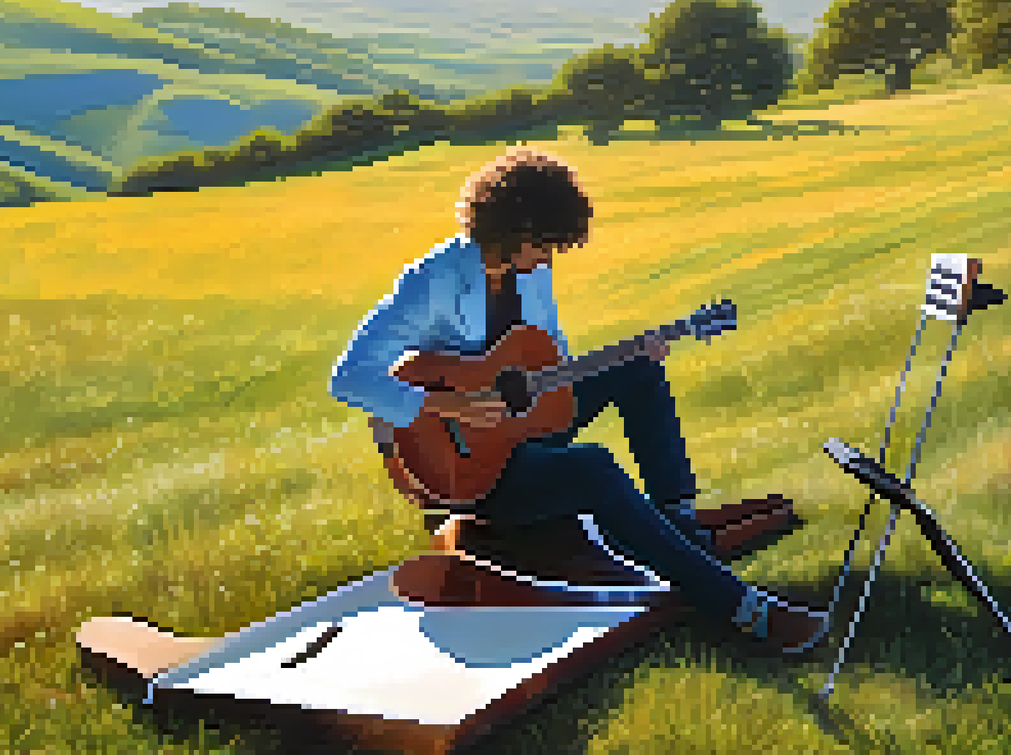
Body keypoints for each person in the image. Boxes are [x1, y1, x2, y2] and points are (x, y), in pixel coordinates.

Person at [329, 146, 828, 654]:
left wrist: (631, 354)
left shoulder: (530, 274)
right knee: (593, 467)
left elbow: (549, 363)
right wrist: (448, 408)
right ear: (518, 232)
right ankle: (741, 609)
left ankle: (682, 530)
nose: (552, 257)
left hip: (519, 428)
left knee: (636, 368)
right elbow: (349, 376)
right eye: (547, 244)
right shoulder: (431, 282)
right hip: (466, 471)